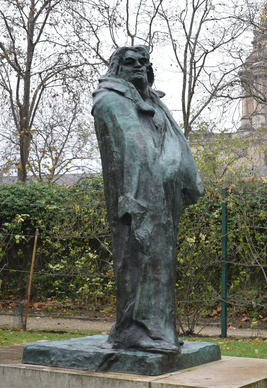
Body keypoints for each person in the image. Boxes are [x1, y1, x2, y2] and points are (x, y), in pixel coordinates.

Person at [92, 45, 203, 354]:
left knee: (159, 262)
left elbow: (171, 143)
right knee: (134, 259)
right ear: (117, 68)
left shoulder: (152, 102)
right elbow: (134, 149)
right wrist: (143, 192)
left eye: (144, 62)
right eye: (130, 63)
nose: (139, 66)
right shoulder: (109, 101)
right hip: (134, 199)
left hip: (162, 199)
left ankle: (159, 329)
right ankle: (131, 330)